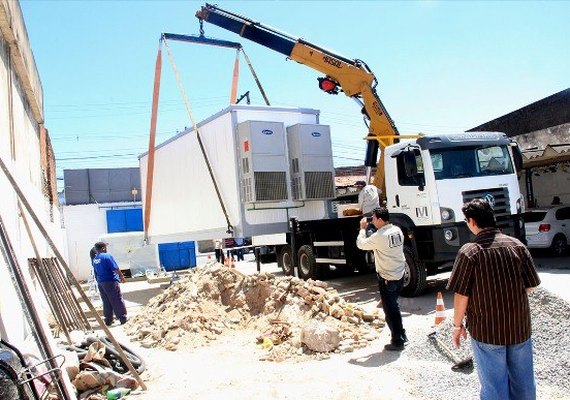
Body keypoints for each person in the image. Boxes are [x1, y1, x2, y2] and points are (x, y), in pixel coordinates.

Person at [447, 199, 540, 399]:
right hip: (519, 328)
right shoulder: (517, 246)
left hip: (487, 331)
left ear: (471, 221)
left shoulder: (470, 252)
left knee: (495, 387)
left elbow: (461, 294)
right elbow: (531, 286)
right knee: (524, 382)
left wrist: (457, 325)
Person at [356, 207, 407, 351]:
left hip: (387, 278)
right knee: (394, 306)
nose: (371, 221)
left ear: (379, 219)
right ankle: (402, 334)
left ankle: (397, 341)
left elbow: (361, 244)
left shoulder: (380, 236)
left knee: (390, 311)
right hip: (399, 274)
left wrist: (362, 229)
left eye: (373, 218)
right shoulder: (397, 230)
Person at [92, 242, 128, 326]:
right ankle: (122, 318)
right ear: (103, 248)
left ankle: (108, 320)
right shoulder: (107, 256)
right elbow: (115, 268)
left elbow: (95, 272)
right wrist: (121, 276)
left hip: (101, 282)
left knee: (106, 301)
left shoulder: (95, 259)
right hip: (110, 281)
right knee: (116, 299)